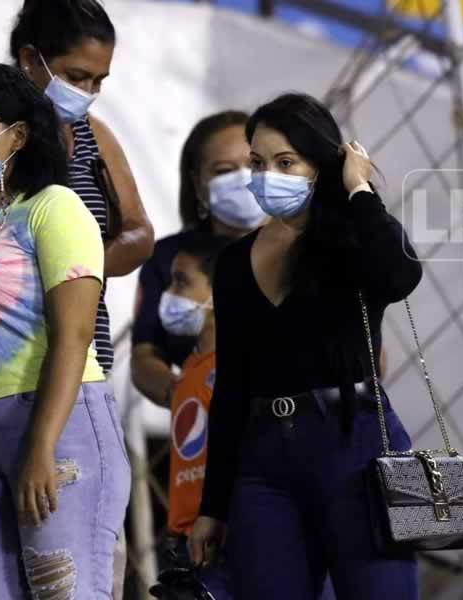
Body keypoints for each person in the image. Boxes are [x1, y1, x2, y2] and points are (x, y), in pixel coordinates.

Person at [187, 93, 422, 600]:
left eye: (285, 161)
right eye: (257, 162)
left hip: (353, 443)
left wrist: (359, 187)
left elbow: (401, 274)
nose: (266, 174)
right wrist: (213, 506)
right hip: (262, 461)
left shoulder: (351, 243)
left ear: (321, 165)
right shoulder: (232, 262)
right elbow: (230, 387)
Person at [0, 63, 130, 599]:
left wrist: (41, 445)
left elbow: (75, 333)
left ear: (18, 132)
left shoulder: (56, 208)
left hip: (56, 423)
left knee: (65, 590)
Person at [0, 0, 154, 382]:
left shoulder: (93, 136)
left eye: (98, 81)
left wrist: (68, 265)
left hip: (79, 365)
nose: (87, 92)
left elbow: (139, 233)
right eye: (76, 76)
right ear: (29, 59)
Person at [131, 110, 261, 406]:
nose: (243, 179)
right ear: (197, 180)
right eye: (224, 170)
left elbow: (371, 357)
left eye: (254, 165)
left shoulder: (308, 249)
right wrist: (186, 396)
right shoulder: (169, 258)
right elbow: (144, 357)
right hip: (206, 432)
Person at [154, 232, 234, 598]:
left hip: (224, 536)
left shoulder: (236, 367)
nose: (170, 293)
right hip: (185, 540)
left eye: (182, 282)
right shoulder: (187, 370)